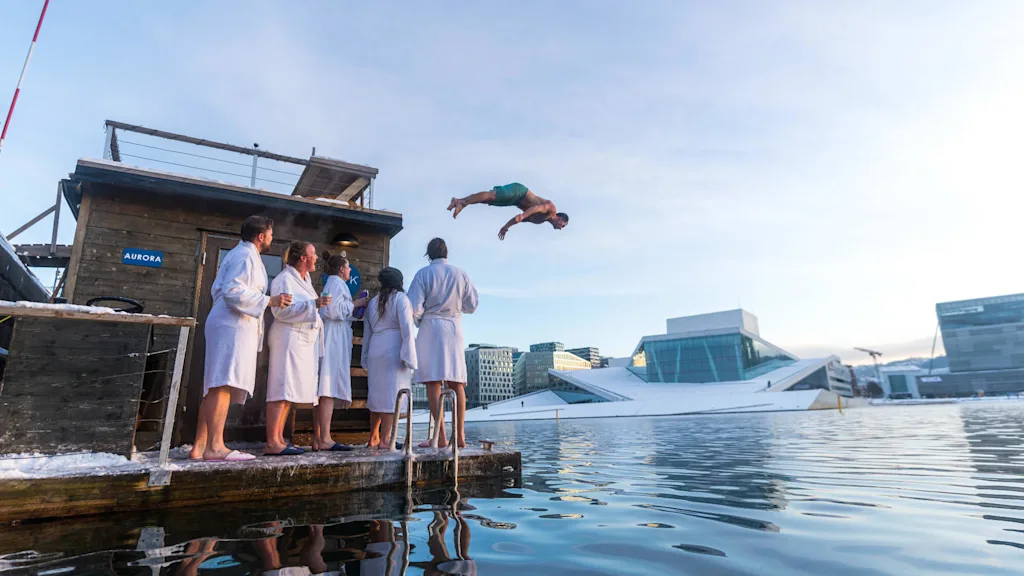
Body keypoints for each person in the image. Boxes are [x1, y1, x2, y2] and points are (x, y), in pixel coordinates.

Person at [189, 215, 291, 462]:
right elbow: (232, 291)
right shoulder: (245, 256)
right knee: (222, 383)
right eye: (270, 233)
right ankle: (215, 447)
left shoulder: (241, 255)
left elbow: (222, 289)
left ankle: (200, 446)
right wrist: (269, 301)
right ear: (260, 236)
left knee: (216, 384)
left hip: (231, 323)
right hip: (231, 324)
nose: (272, 237)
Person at [408, 238, 478, 449]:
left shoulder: (423, 274)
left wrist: (421, 319)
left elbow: (413, 307)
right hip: (454, 327)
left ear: (428, 254)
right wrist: (457, 309)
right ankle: (460, 436)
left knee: (433, 382)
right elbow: (472, 304)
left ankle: (440, 437)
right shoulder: (460, 273)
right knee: (457, 383)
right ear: (446, 253)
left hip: (431, 329)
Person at [266, 241, 330, 456]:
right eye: (313, 254)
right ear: (303, 258)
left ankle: (279, 440)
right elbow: (281, 312)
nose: (316, 258)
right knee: (281, 388)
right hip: (288, 338)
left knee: (288, 392)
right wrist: (314, 305)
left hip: (301, 341)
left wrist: (314, 304)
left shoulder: (304, 280)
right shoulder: (285, 279)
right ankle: (272, 442)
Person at [315, 252, 369, 452]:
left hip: (336, 334)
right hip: (333, 337)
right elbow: (332, 310)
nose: (349, 270)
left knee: (327, 385)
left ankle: (319, 437)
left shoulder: (333, 284)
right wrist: (357, 304)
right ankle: (325, 438)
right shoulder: (337, 284)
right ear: (340, 269)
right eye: (347, 267)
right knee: (328, 385)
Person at [361, 267, 417, 450]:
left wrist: (366, 356)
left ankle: (373, 438)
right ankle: (386, 440)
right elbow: (407, 329)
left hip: (376, 348)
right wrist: (409, 357)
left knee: (376, 396)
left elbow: (367, 332)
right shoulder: (401, 299)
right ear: (399, 282)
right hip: (393, 349)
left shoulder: (373, 303)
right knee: (392, 396)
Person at [447, 183, 568, 240]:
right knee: (491, 196)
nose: (561, 228)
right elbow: (537, 208)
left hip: (515, 201)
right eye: (563, 225)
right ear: (560, 218)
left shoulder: (539, 221)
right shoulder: (552, 209)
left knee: (487, 201)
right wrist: (524, 214)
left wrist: (505, 227)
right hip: (520, 192)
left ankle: (459, 201)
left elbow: (518, 220)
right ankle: (461, 202)